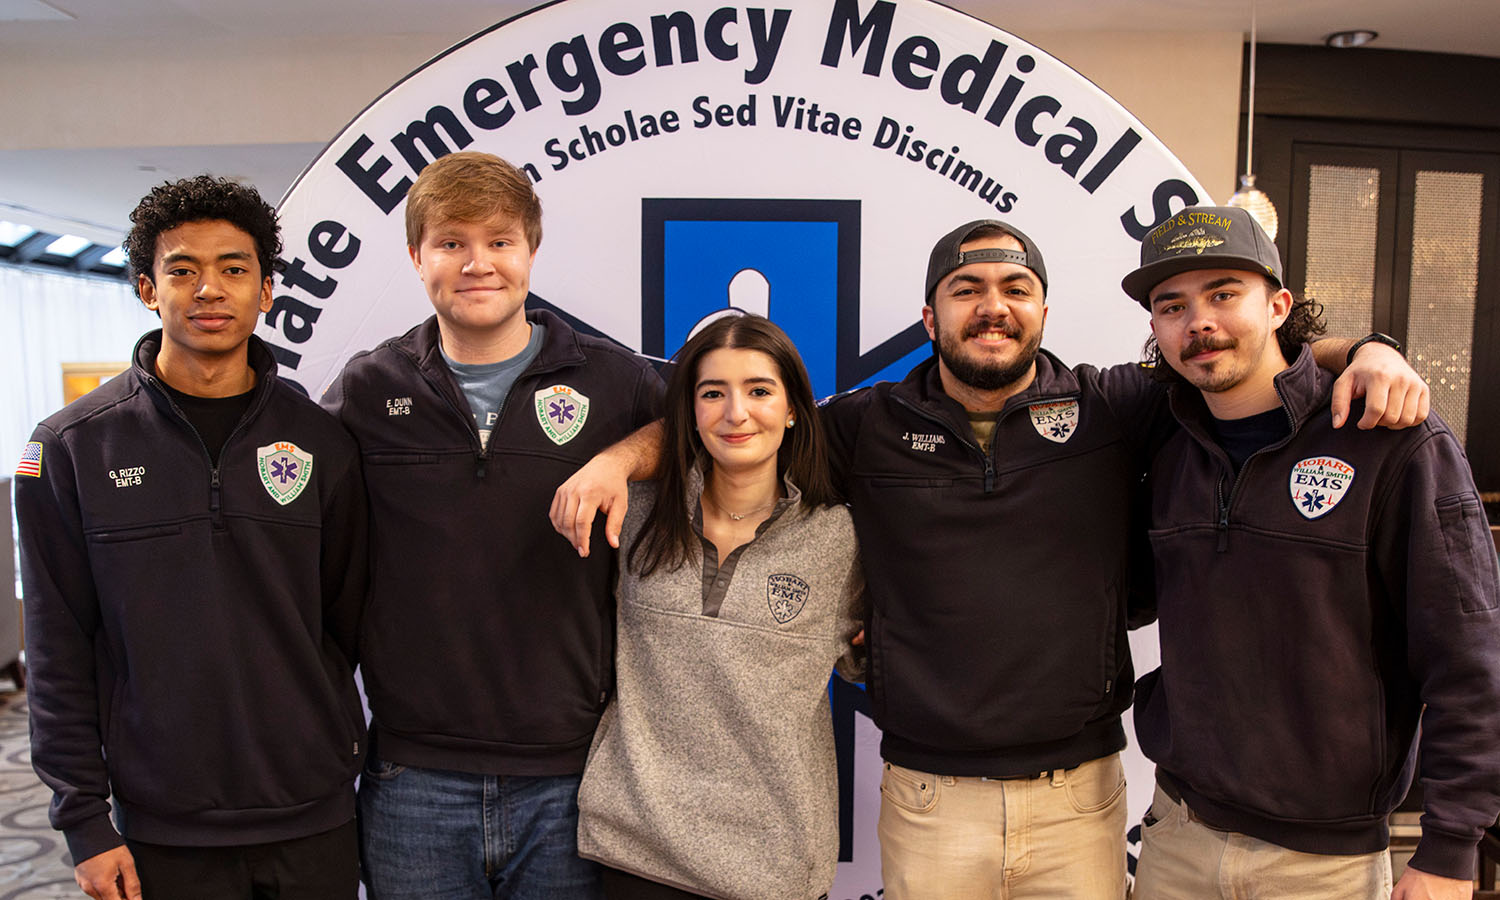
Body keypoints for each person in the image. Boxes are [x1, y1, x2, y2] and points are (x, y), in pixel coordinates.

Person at [551, 219, 1428, 899]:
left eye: (1016, 287)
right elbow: (732, 421)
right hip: (928, 796)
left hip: (1080, 794)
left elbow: (1234, 362)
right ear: (932, 317)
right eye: (966, 289)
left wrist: (1368, 349)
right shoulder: (867, 424)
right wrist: (614, 461)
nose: (992, 305)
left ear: (1045, 311)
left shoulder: (1114, 406)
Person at [1123, 205, 1500, 900]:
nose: (1198, 321)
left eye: (1224, 295)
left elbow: (1469, 657)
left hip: (1322, 866)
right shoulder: (1163, 443)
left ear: (1279, 306)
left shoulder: (1390, 437)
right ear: (1156, 330)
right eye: (1171, 305)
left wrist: (1452, 847)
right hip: (1177, 834)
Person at [321, 151, 663, 899]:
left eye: (499, 242)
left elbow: (707, 422)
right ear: (417, 257)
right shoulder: (367, 388)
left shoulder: (615, 379)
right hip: (412, 779)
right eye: (452, 243)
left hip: (571, 777)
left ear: (530, 252)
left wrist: (624, 457)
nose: (478, 264)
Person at [16, 175, 369, 900]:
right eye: (183, 270)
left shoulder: (324, 443)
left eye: (234, 270)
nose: (210, 289)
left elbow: (348, 620)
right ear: (149, 289)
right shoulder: (72, 448)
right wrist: (84, 819)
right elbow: (56, 649)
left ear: (266, 290)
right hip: (159, 825)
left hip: (313, 813)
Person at [574, 313, 864, 900]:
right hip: (635, 858)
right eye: (713, 393)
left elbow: (885, 661)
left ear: (793, 409)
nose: (736, 413)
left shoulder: (842, 539)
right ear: (690, 411)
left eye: (759, 391)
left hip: (774, 867)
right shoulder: (631, 514)